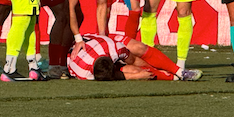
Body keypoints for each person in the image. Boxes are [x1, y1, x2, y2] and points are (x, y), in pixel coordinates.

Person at [67, 33, 202, 81]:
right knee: (134, 71)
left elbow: (135, 60)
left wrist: (154, 69)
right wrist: (136, 76)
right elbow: (112, 75)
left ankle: (179, 71)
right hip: (89, 52)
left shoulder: (113, 48)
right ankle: (173, 78)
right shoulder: (82, 71)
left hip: (102, 40)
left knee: (138, 48)